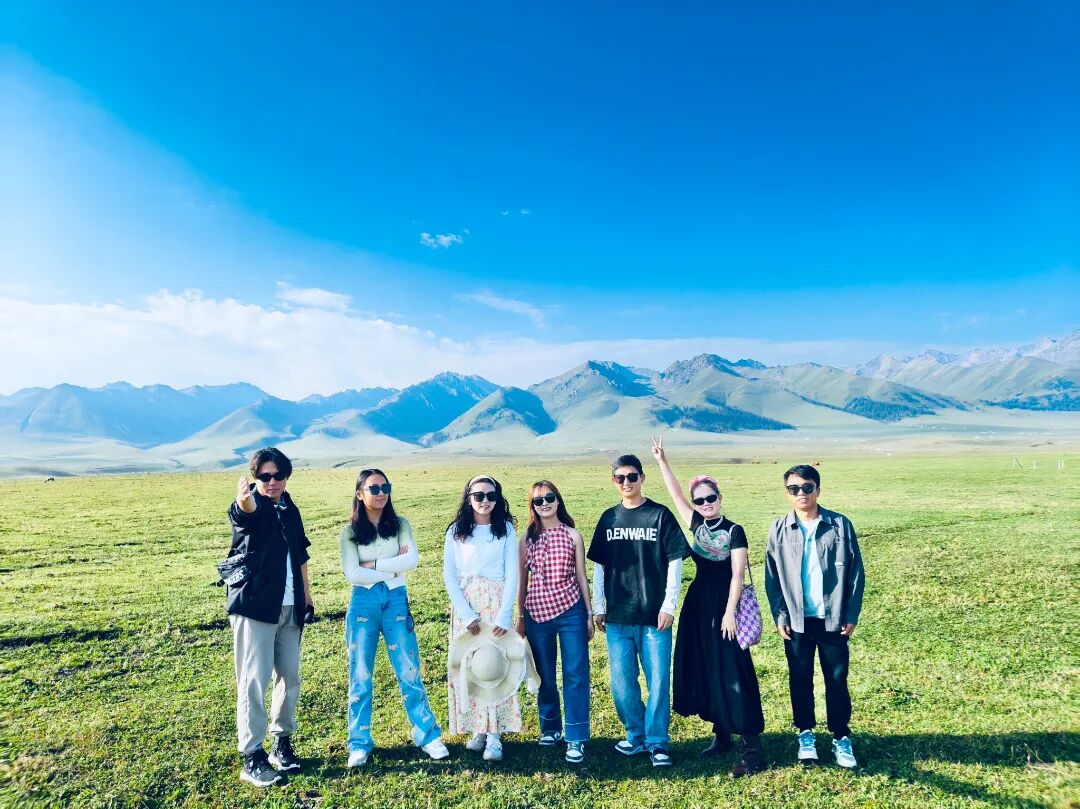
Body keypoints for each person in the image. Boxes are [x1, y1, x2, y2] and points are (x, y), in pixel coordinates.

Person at [650, 437, 766, 778]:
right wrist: (662, 461)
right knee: (706, 665)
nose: (705, 504)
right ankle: (722, 735)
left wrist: (729, 612)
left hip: (725, 606)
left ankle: (752, 748)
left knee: (733, 669)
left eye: (710, 498)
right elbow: (675, 494)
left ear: (720, 498)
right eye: (699, 500)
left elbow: (737, 575)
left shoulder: (735, 531)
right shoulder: (696, 525)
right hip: (698, 606)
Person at [339, 468, 450, 767]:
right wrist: (392, 568)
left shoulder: (400, 524)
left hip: (396, 600)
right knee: (360, 674)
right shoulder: (349, 532)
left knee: (408, 669)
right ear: (360, 494)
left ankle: (427, 735)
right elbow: (352, 573)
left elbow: (411, 560)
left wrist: (373, 564)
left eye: (385, 487)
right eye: (374, 488)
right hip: (363, 603)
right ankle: (359, 742)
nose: (381, 493)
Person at [587, 453, 691, 768]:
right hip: (618, 617)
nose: (627, 482)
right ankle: (636, 736)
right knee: (621, 685)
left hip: (654, 617)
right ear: (613, 481)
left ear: (642, 478)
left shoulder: (660, 515)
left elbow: (675, 561)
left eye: (632, 476)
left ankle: (658, 743)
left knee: (658, 681)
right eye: (620, 478)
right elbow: (600, 566)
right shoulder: (609, 518)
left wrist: (669, 605)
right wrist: (599, 606)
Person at [764, 464, 866, 769]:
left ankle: (841, 736)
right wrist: (780, 614)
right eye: (794, 489)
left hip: (832, 619)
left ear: (817, 490)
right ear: (787, 493)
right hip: (797, 620)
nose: (801, 493)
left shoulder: (840, 525)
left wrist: (851, 612)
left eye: (807, 487)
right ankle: (805, 734)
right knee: (800, 678)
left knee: (836, 678)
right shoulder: (779, 529)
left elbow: (856, 572)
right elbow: (772, 577)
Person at [225, 447, 313, 787]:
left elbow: (300, 553)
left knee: (289, 677)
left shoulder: (289, 507)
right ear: (255, 478)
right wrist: (244, 500)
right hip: (256, 607)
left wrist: (307, 595)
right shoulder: (253, 506)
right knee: (254, 680)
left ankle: (281, 742)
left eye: (278, 475)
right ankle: (252, 756)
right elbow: (243, 514)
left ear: (287, 476)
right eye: (264, 476)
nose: (272, 481)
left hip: (290, 606)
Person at [442, 474, 521, 761]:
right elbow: (450, 575)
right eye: (478, 496)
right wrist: (466, 615)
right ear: (468, 498)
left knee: (495, 666)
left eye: (491, 495)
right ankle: (478, 728)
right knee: (469, 667)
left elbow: (513, 573)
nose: (485, 501)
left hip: (496, 603)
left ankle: (495, 735)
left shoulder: (506, 530)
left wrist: (504, 614)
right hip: (467, 606)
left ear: (497, 499)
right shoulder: (456, 531)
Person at [515, 480, 594, 764]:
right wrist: (520, 617)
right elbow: (522, 582)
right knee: (544, 674)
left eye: (549, 498)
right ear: (533, 506)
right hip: (537, 613)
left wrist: (589, 614)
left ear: (558, 500)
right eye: (538, 500)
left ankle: (576, 736)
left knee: (576, 674)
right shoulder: (526, 539)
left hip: (571, 610)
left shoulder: (573, 535)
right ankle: (550, 728)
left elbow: (582, 576)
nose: (545, 503)